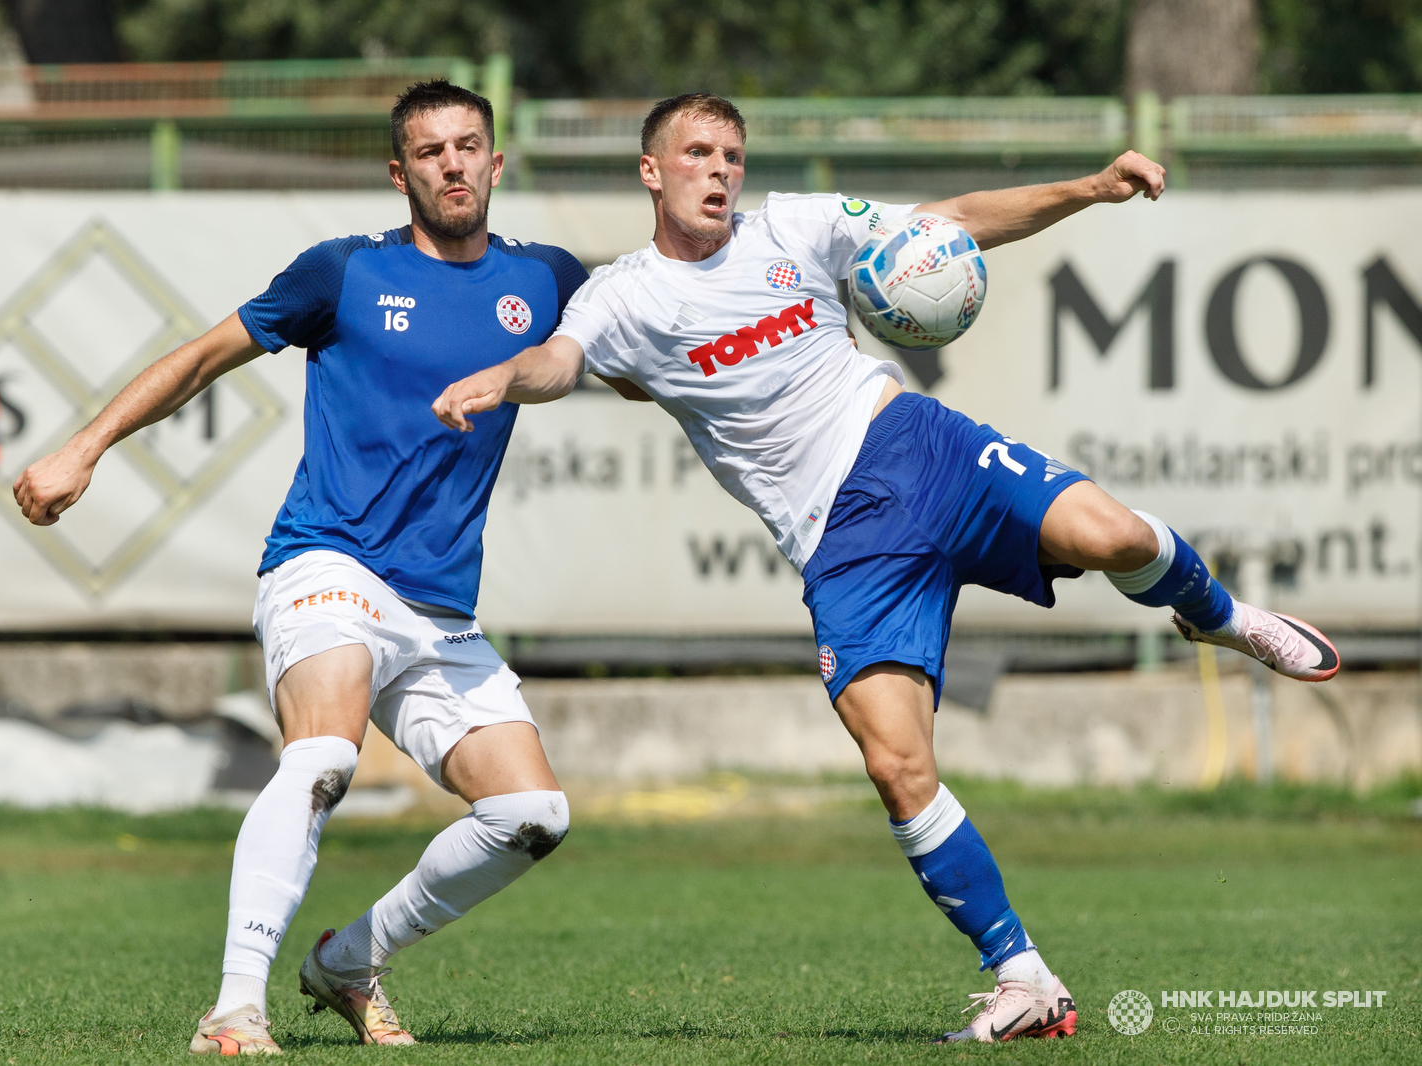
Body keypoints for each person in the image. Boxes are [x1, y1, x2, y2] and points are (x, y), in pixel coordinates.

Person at [431, 93, 1341, 1044]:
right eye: (697, 153)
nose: (720, 169)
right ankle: (1025, 979)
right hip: (842, 541)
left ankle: (1223, 616)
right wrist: (510, 374)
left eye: (732, 153)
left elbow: (951, 222)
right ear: (652, 171)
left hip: (916, 447)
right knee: (898, 765)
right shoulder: (622, 296)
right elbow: (563, 361)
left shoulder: (795, 223)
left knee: (1117, 537)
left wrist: (1091, 188)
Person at [12, 80, 587, 1056]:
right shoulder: (343, 273)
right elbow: (201, 358)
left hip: (439, 604)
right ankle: (235, 1007)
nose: (451, 163)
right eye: (429, 150)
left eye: (466, 146)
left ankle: (350, 960)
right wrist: (85, 446)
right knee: (323, 755)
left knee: (533, 811)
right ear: (397, 171)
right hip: (326, 561)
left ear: (497, 162)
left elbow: (652, 339)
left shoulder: (548, 281)